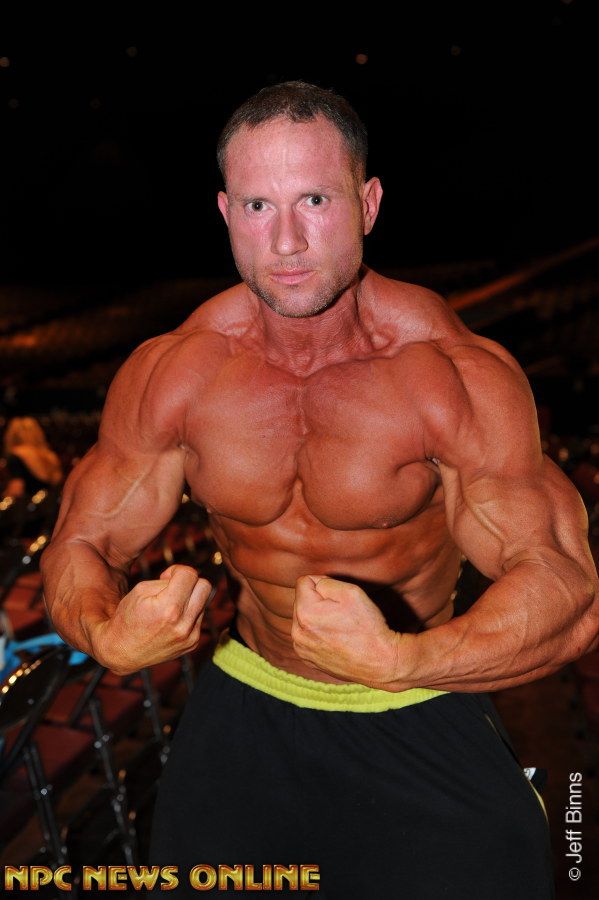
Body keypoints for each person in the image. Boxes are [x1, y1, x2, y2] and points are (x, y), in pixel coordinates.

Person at [41, 81, 598, 898]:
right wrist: (106, 633)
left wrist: (403, 659)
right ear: (225, 212)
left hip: (415, 701)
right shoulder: (174, 372)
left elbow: (567, 594)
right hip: (246, 699)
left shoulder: (449, 373)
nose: (287, 240)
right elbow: (80, 543)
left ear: (367, 205)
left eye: (314, 200)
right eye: (258, 206)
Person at [3, 417, 63, 497]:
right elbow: (57, 481)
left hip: (28, 502)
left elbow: (17, 489)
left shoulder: (16, 455)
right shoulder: (49, 455)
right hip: (48, 501)